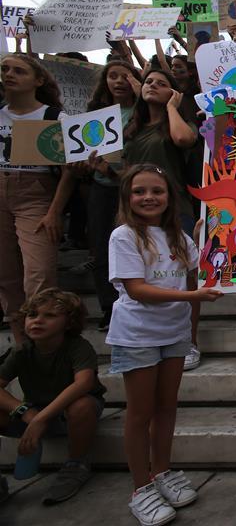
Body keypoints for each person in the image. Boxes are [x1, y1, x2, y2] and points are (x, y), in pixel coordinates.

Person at [105, 164, 222, 526]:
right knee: (140, 413)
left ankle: (162, 472)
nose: (149, 197)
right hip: (137, 335)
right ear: (127, 197)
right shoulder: (124, 236)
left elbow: (202, 273)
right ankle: (141, 488)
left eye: (157, 190)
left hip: (174, 334)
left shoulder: (180, 237)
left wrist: (210, 238)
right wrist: (191, 296)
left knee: (167, 408)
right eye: (139, 191)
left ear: (170, 197)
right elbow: (137, 290)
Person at [0, 288, 106, 505]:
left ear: (68, 323)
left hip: (69, 416)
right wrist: (25, 411)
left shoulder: (77, 347)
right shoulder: (21, 351)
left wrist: (40, 418)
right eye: (32, 315)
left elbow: (84, 383)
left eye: (49, 315)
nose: (38, 321)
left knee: (82, 405)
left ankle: (76, 464)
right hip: (34, 414)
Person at [0, 53, 76, 346]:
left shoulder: (55, 118)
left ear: (38, 80)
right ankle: (23, 346)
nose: (9, 75)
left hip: (35, 194)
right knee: (6, 274)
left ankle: (45, 344)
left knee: (39, 272)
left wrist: (55, 211)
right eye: (5, 69)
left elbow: (69, 169)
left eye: (19, 71)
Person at [83, 61, 144, 331]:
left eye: (125, 76)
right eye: (113, 76)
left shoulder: (143, 112)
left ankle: (137, 303)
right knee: (101, 246)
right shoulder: (95, 115)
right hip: (102, 189)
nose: (119, 81)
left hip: (134, 189)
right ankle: (109, 308)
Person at [122, 70, 198, 233]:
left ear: (174, 94)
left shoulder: (182, 124)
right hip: (137, 209)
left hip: (174, 211)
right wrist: (104, 169)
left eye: (161, 84)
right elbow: (126, 171)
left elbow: (183, 138)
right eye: (148, 82)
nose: (153, 85)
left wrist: (171, 107)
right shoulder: (132, 129)